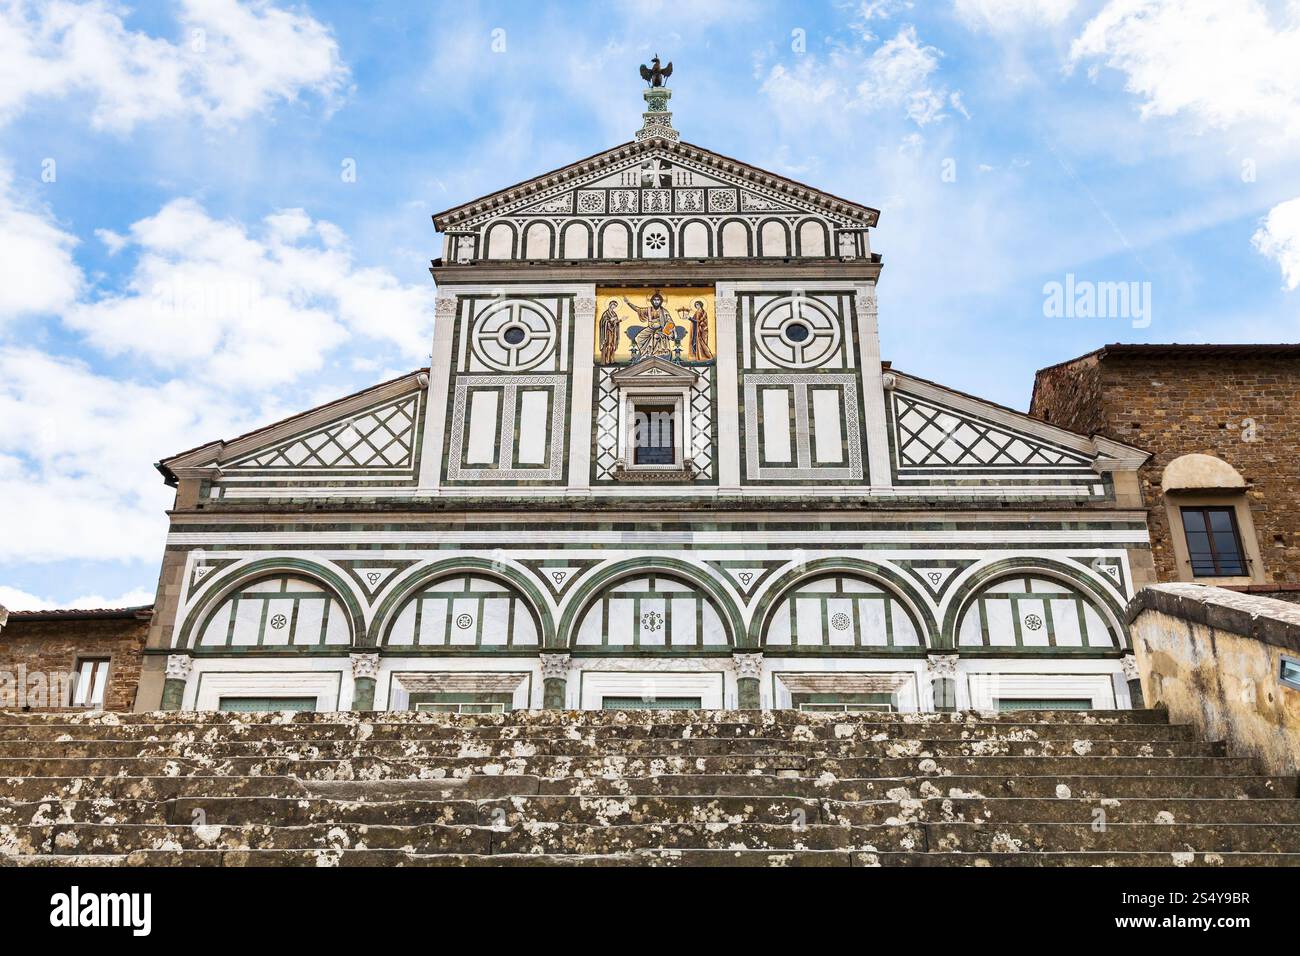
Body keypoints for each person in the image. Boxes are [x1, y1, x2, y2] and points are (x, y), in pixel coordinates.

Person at [622, 291, 676, 359]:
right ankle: (645, 352)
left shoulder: (664, 311)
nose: (656, 301)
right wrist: (628, 303)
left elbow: (670, 322)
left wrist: (667, 331)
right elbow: (638, 309)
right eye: (655, 300)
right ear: (652, 301)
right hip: (650, 328)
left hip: (660, 329)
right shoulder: (648, 310)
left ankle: (655, 353)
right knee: (638, 337)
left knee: (656, 336)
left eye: (658, 300)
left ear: (661, 301)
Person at [598, 299, 621, 364]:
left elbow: (615, 322)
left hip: (613, 331)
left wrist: (620, 320)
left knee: (613, 345)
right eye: (613, 305)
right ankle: (606, 361)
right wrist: (610, 320)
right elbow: (603, 321)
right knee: (608, 345)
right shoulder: (606, 313)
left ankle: (612, 360)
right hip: (607, 331)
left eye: (615, 306)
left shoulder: (614, 313)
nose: (614, 307)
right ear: (610, 305)